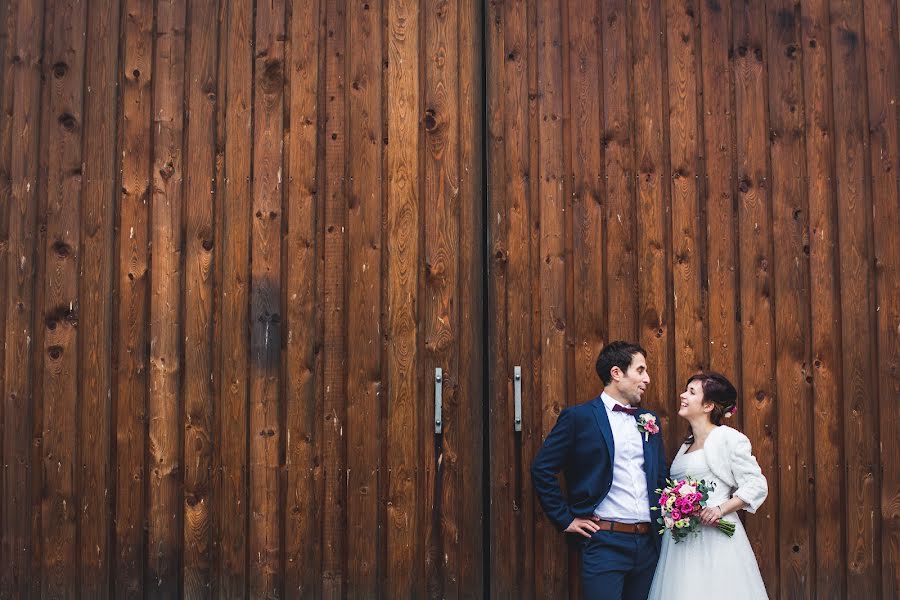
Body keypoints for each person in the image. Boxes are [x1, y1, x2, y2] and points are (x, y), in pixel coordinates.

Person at [531, 341, 668, 600]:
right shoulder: (579, 417)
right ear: (617, 373)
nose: (647, 379)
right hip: (605, 541)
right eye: (640, 370)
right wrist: (565, 519)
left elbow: (659, 474)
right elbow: (542, 468)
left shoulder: (649, 420)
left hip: (649, 544)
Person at [647, 371, 769, 599]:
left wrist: (719, 509)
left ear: (708, 406)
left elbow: (756, 484)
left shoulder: (728, 438)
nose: (683, 395)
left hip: (715, 538)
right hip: (681, 541)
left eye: (691, 392)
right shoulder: (686, 445)